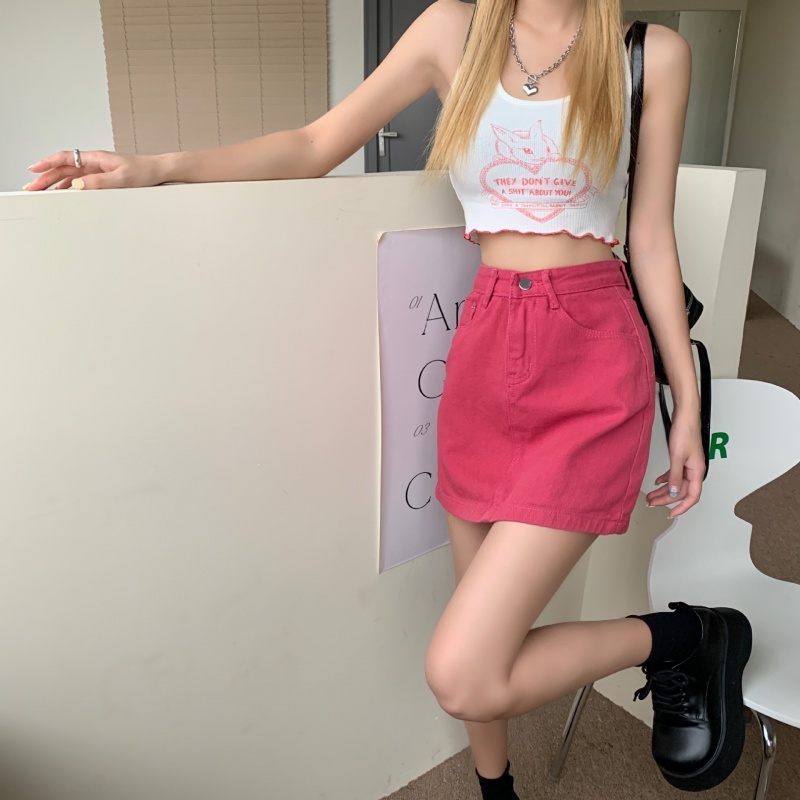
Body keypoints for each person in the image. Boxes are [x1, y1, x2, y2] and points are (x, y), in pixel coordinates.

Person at [23, 1, 753, 798]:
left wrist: (687, 401)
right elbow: (314, 144)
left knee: (464, 670)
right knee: (479, 624)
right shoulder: (452, 32)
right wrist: (158, 166)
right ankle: (497, 791)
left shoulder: (651, 55)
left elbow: (650, 237)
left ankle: (685, 638)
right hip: (486, 355)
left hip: (592, 362)